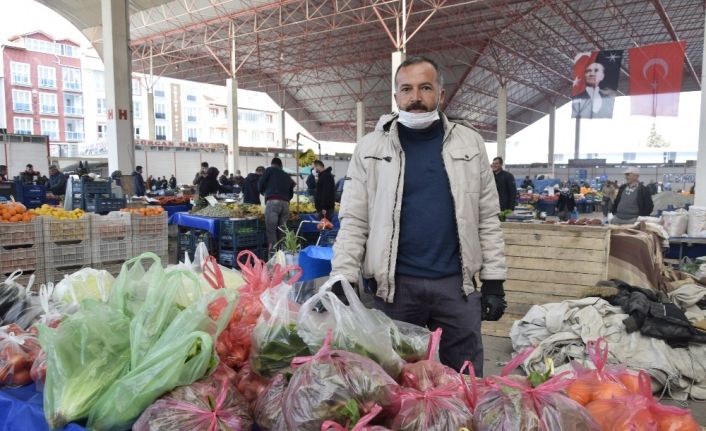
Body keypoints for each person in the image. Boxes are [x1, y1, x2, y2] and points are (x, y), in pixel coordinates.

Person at [330, 56, 507, 374]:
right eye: (407, 89)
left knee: (465, 375)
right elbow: (355, 219)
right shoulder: (370, 148)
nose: (416, 97)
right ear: (396, 96)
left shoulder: (470, 144)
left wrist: (494, 281)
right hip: (395, 289)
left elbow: (487, 216)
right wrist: (342, 275)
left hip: (457, 287)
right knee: (395, 379)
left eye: (425, 87)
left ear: (440, 94)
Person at [259, 158, 295, 250]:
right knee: (282, 231)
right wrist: (285, 199)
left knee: (271, 231)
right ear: (281, 166)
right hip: (285, 205)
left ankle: (274, 258)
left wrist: (264, 193)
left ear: (272, 164)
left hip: (273, 202)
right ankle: (283, 255)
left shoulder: (269, 170)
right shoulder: (286, 175)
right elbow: (291, 192)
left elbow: (260, 184)